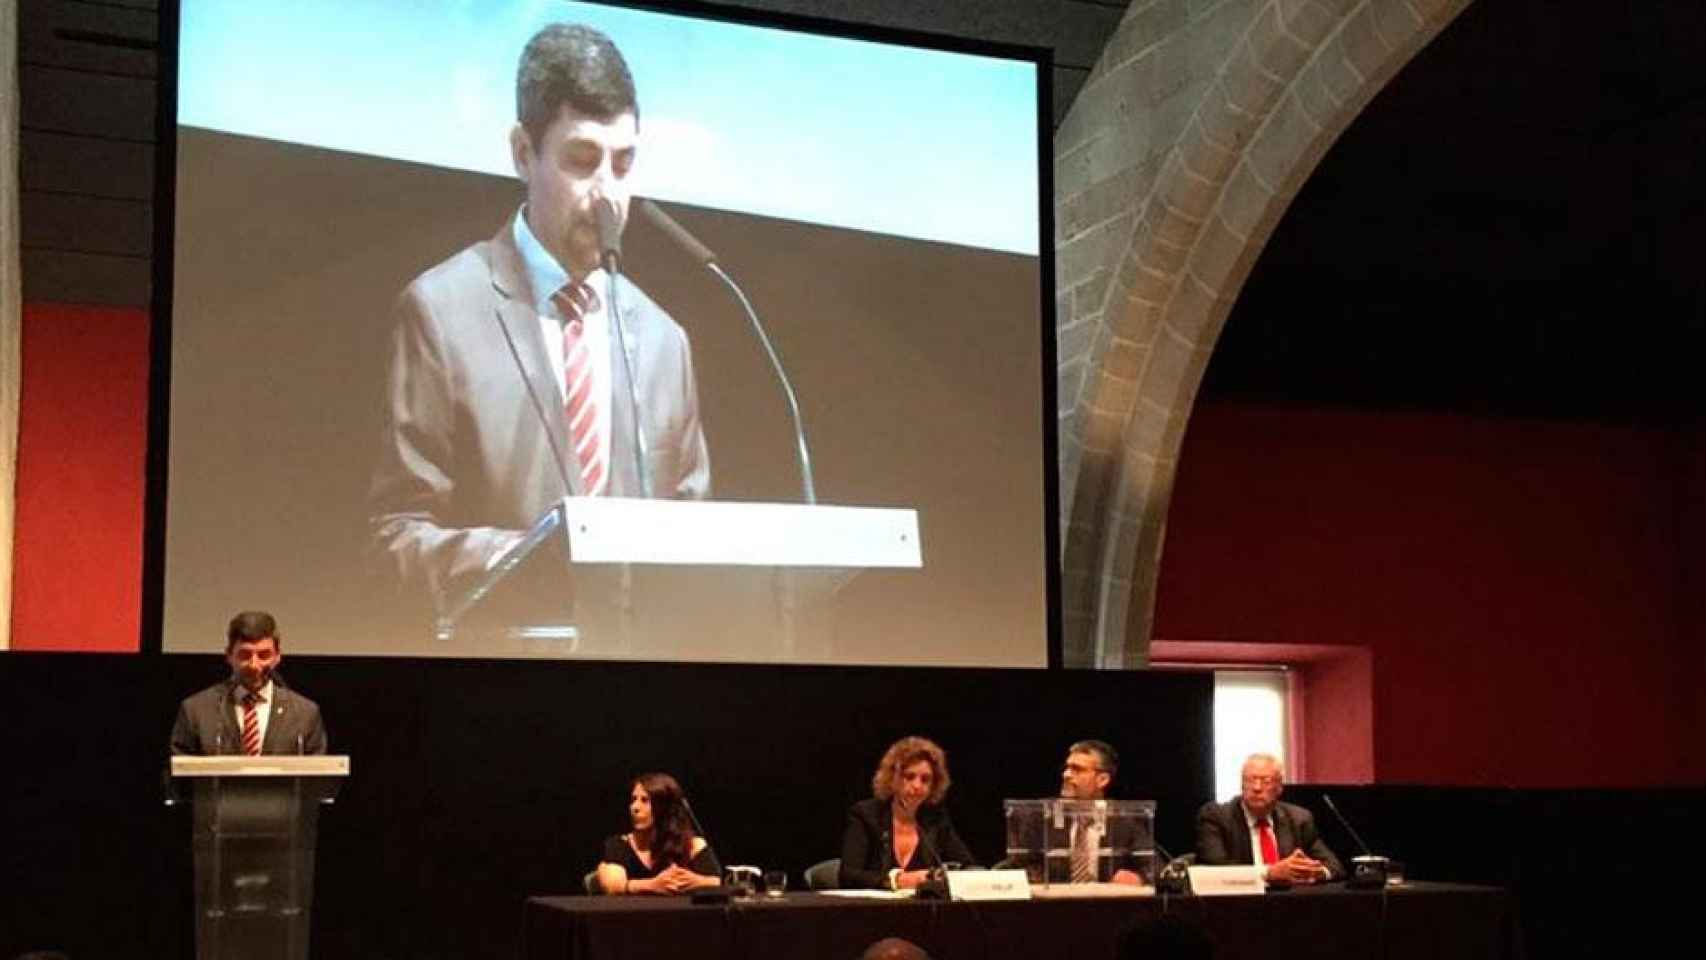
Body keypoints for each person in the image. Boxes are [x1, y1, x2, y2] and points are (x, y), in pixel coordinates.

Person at [369, 22, 710, 618]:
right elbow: (396, 536)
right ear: (523, 153)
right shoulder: (441, 312)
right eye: (583, 161)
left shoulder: (664, 341)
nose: (608, 195)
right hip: (503, 677)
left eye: (624, 164)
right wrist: (533, 560)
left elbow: (698, 543)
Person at [169, 611, 327, 756]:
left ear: (278, 656)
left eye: (264, 655)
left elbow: (317, 783)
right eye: (245, 655)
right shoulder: (196, 711)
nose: (254, 665)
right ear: (229, 655)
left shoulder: (304, 714)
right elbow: (175, 779)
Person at [840, 736, 976, 890]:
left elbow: (968, 867)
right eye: (909, 777)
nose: (917, 785)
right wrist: (897, 881)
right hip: (873, 910)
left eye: (925, 779)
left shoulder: (935, 820)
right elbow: (848, 875)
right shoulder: (866, 815)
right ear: (892, 778)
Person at [1194, 753, 1341, 883]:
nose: (1257, 788)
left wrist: (1316, 872)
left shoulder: (1298, 819)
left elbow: (1334, 866)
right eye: (1250, 780)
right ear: (1241, 784)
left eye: (1266, 781)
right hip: (1236, 906)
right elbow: (1214, 872)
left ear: (1279, 787)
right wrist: (1267, 873)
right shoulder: (1216, 817)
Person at [595, 773, 722, 895]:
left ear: (665, 806)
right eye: (634, 799)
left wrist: (695, 882)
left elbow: (717, 880)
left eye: (644, 800)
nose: (634, 807)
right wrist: (652, 885)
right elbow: (613, 886)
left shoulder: (691, 844)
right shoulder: (619, 844)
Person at [1057, 739, 1144, 884]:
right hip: (1054, 905)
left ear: (1102, 780)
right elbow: (1020, 865)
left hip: (1107, 905)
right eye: (1067, 768)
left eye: (1077, 769)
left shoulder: (1126, 821)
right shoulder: (1043, 819)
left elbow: (1154, 867)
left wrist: (1139, 878)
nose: (1066, 775)